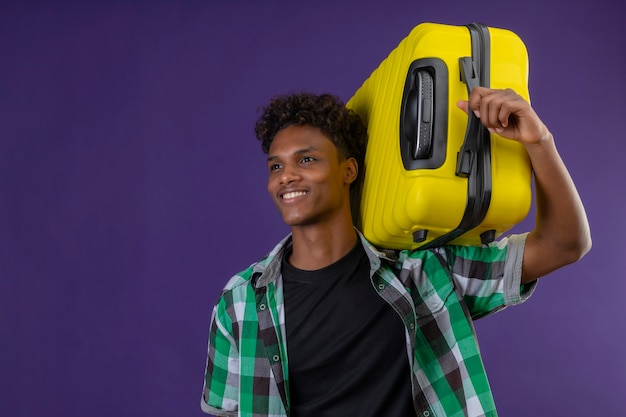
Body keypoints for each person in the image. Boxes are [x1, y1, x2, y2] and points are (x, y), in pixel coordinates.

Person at [200, 89, 591, 417]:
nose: (286, 176)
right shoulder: (240, 302)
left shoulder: (425, 270)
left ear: (348, 170)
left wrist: (540, 142)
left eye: (306, 159)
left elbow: (565, 244)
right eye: (275, 165)